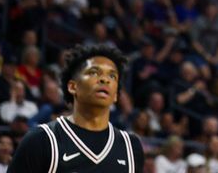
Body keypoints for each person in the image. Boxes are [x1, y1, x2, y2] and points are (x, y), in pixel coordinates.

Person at [8, 43, 144, 173]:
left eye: (112, 75)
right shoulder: (41, 139)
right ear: (73, 87)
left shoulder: (131, 147)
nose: (105, 79)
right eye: (94, 72)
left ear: (116, 95)